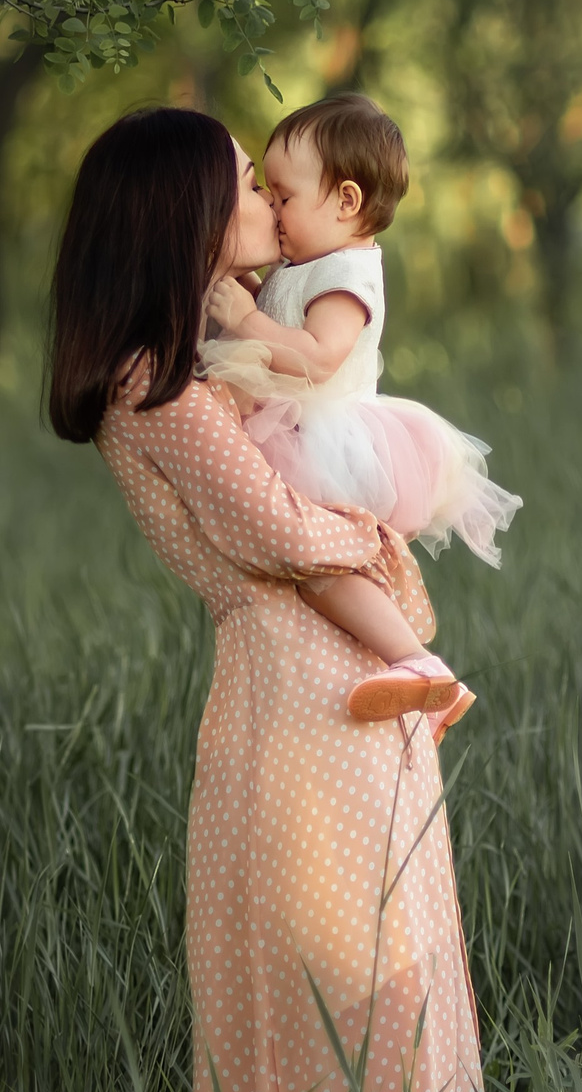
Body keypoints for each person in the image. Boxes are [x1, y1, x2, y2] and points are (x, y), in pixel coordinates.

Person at [45, 105, 489, 1092]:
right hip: (295, 692)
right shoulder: (157, 385)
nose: (267, 205)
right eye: (247, 185)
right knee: (327, 985)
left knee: (393, 970)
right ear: (186, 213)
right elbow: (278, 528)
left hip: (336, 676)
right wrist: (381, 544)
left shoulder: (212, 364)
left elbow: (310, 477)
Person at [201, 95, 519, 739]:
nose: (273, 208)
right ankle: (409, 672)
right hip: (298, 428)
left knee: (321, 569)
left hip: (329, 437)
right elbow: (282, 333)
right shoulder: (308, 265)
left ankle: (419, 666)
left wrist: (245, 318)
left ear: (345, 201)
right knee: (315, 569)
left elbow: (317, 359)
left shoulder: (348, 273)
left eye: (284, 197)